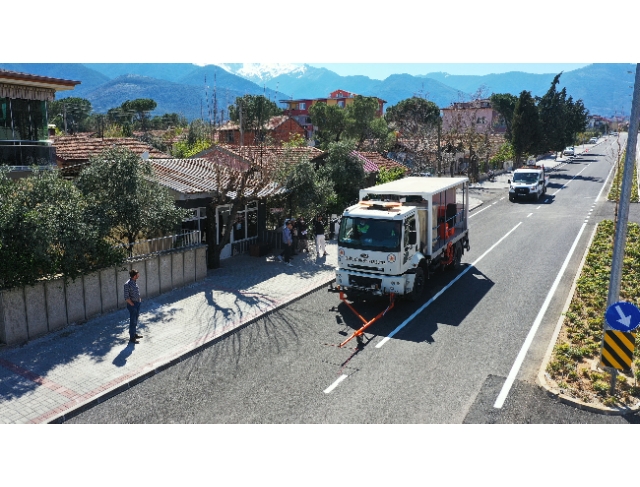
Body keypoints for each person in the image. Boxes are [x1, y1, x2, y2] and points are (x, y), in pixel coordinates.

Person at [124, 269, 143, 344]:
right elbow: (126, 297)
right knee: (133, 321)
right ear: (134, 276)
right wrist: (131, 304)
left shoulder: (134, 282)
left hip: (137, 303)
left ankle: (134, 334)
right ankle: (132, 338)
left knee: (135, 320)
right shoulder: (127, 284)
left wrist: (139, 299)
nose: (138, 275)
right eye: (137, 274)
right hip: (133, 305)